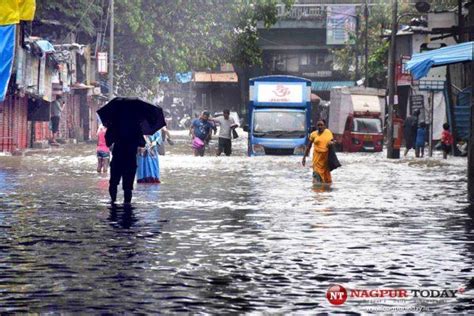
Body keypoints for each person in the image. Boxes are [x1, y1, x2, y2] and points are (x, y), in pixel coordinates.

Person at [106, 119, 146, 206]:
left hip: (117, 159)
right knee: (128, 187)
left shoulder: (114, 124)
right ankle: (127, 206)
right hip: (130, 160)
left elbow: (108, 142)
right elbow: (142, 143)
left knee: (113, 183)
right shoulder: (136, 127)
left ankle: (113, 203)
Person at [302, 119, 334, 184]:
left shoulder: (328, 132)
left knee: (326, 179)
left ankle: (324, 191)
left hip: (325, 160)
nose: (320, 126)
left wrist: (332, 143)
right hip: (316, 159)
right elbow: (309, 146)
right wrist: (304, 157)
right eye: (318, 125)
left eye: (321, 125)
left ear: (324, 126)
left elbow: (332, 141)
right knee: (316, 177)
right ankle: (316, 191)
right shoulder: (313, 134)